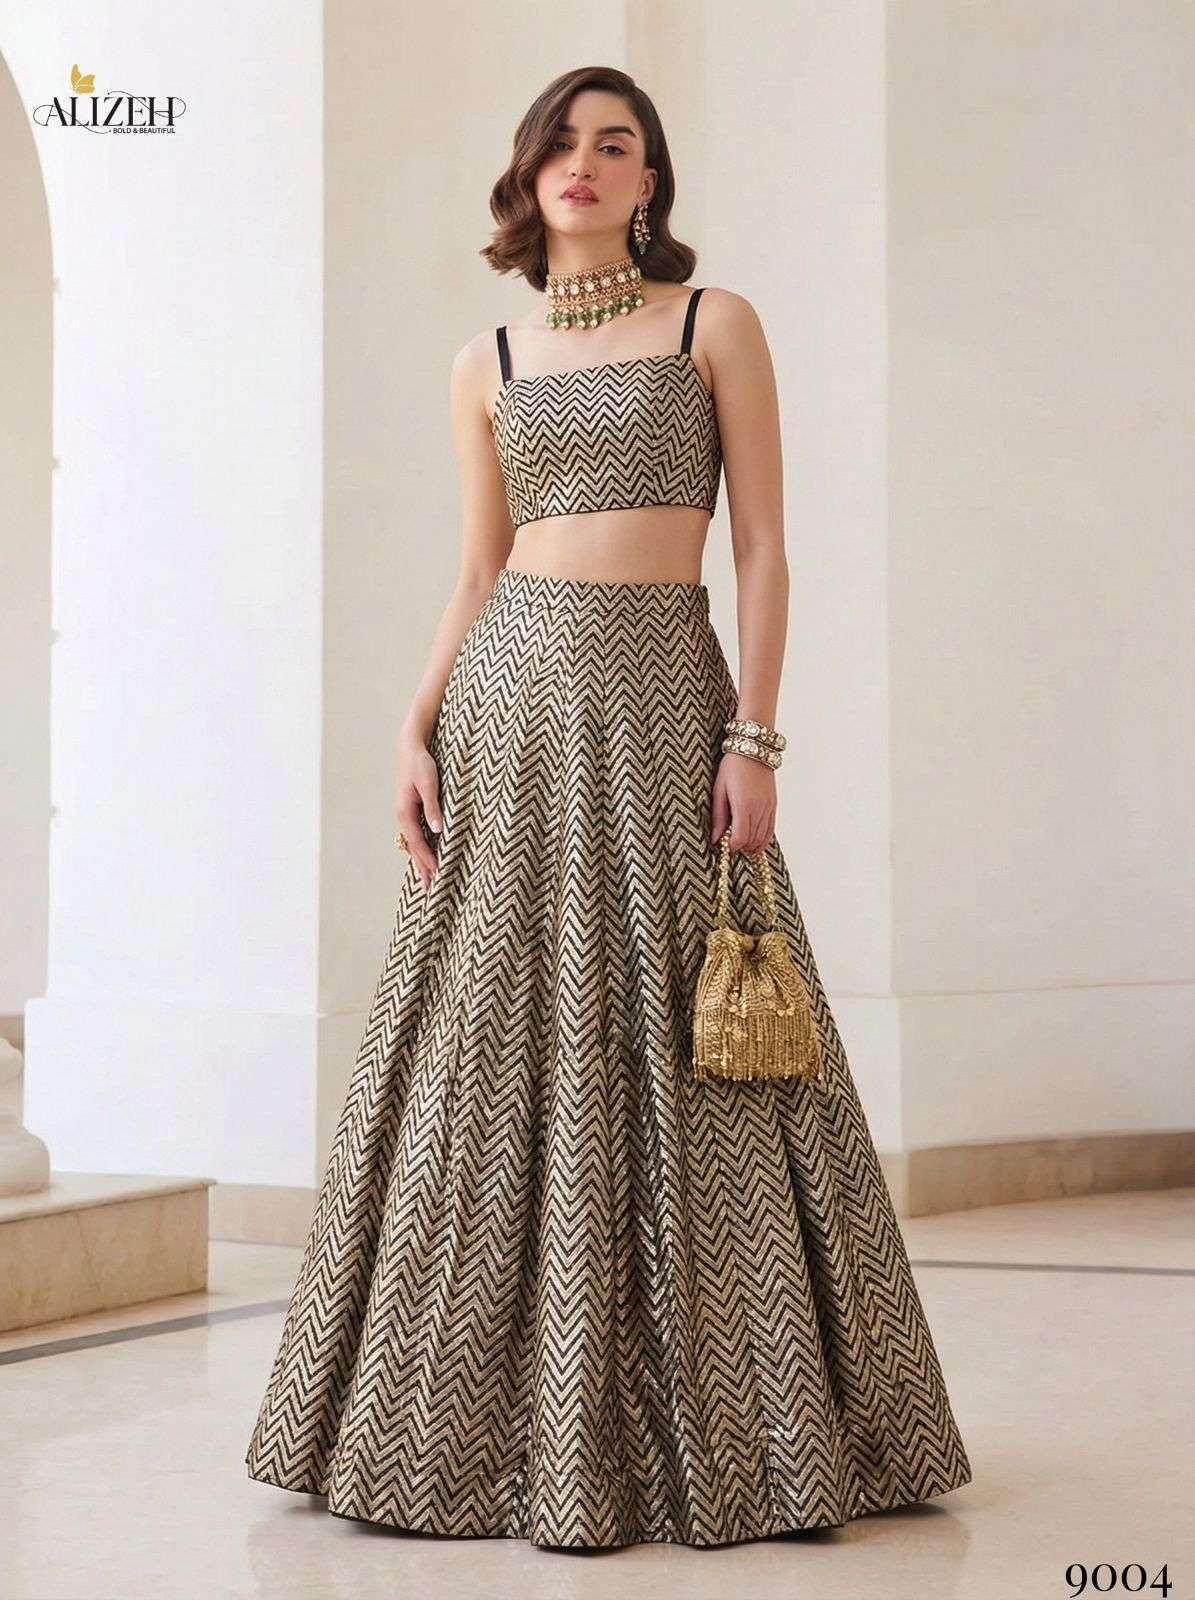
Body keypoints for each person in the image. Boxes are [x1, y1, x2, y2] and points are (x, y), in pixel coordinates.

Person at [244, 64, 972, 1551]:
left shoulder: (715, 326)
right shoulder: (488, 359)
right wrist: (414, 720)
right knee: (488, 1040)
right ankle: (455, 1435)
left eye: (615, 143)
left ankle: (758, 1437)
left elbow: (760, 547)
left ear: (651, 181)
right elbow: (478, 565)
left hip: (661, 699)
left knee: (707, 1041)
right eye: (561, 144)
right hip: (509, 704)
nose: (583, 163)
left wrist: (755, 734)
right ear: (531, 176)